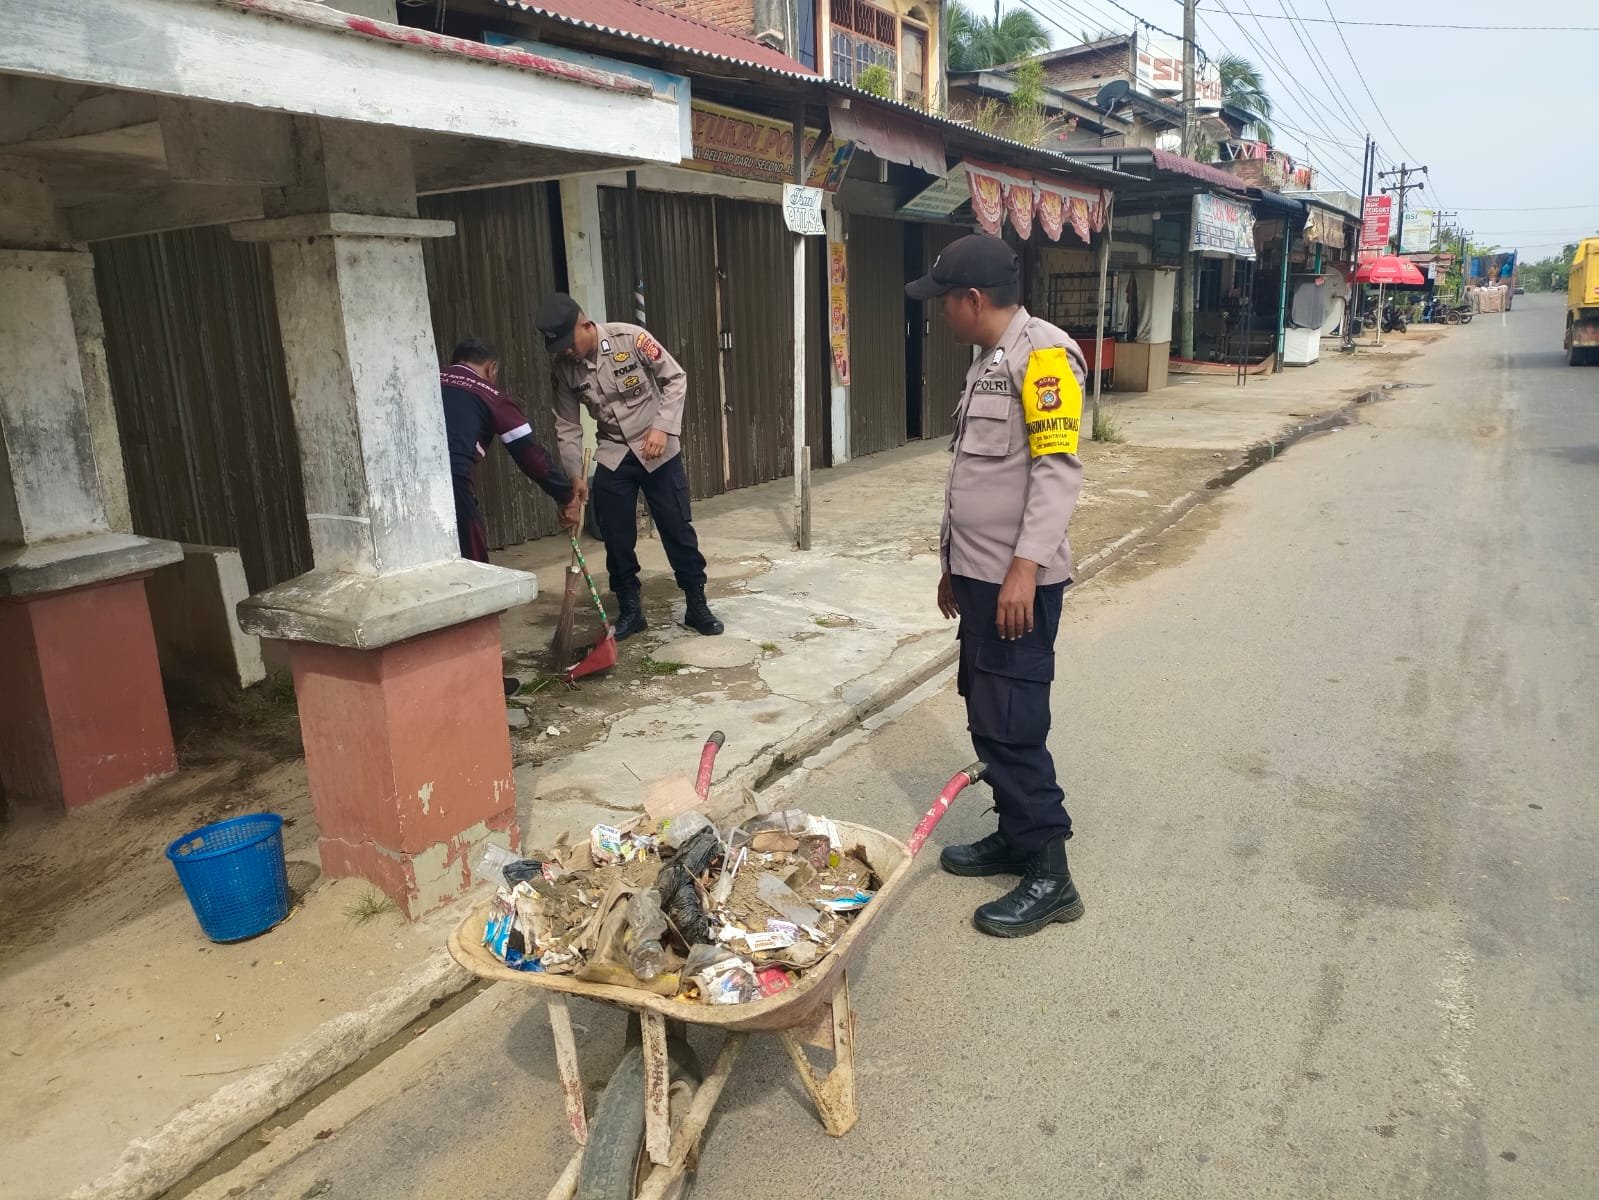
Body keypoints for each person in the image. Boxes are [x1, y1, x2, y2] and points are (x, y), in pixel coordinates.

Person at [906, 233, 1087, 939]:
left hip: (1017, 585)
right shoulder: (990, 361)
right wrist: (953, 562)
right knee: (985, 712)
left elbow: (1055, 470)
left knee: (1012, 726)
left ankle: (1050, 876)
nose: (939, 316)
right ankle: (1015, 837)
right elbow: (974, 477)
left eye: (943, 303)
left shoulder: (1041, 356)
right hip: (980, 579)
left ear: (970, 300)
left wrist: (1023, 568)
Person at [535, 293, 722, 640]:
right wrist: (574, 477)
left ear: (584, 323)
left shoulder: (631, 339)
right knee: (616, 536)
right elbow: (567, 425)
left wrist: (662, 427)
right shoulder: (563, 369)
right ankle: (631, 610)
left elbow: (676, 378)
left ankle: (697, 604)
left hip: (657, 450)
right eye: (558, 347)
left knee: (676, 527)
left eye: (568, 342)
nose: (566, 351)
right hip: (614, 452)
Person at [440, 337, 581, 562]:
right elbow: (531, 456)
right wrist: (566, 495)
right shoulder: (489, 394)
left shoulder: (432, 379)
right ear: (491, 368)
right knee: (475, 565)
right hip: (452, 482)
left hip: (403, 483)